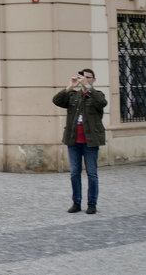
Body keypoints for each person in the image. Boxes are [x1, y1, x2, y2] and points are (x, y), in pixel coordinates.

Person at [53, 67, 107, 214]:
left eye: (88, 78)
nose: (85, 79)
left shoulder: (97, 95)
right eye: (83, 77)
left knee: (92, 173)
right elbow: (56, 100)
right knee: (74, 173)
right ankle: (76, 202)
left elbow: (102, 102)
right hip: (73, 141)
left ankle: (92, 204)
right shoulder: (74, 96)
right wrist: (70, 86)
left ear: (93, 80)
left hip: (90, 141)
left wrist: (88, 87)